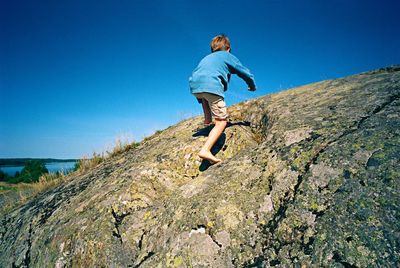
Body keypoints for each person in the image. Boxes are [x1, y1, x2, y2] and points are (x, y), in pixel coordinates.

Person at [189, 34, 256, 164]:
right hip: (211, 85)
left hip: (195, 85)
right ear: (228, 49)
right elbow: (243, 71)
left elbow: (201, 76)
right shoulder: (227, 56)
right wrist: (251, 85)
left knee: (204, 96)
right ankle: (205, 150)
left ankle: (207, 119)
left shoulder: (206, 58)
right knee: (221, 122)